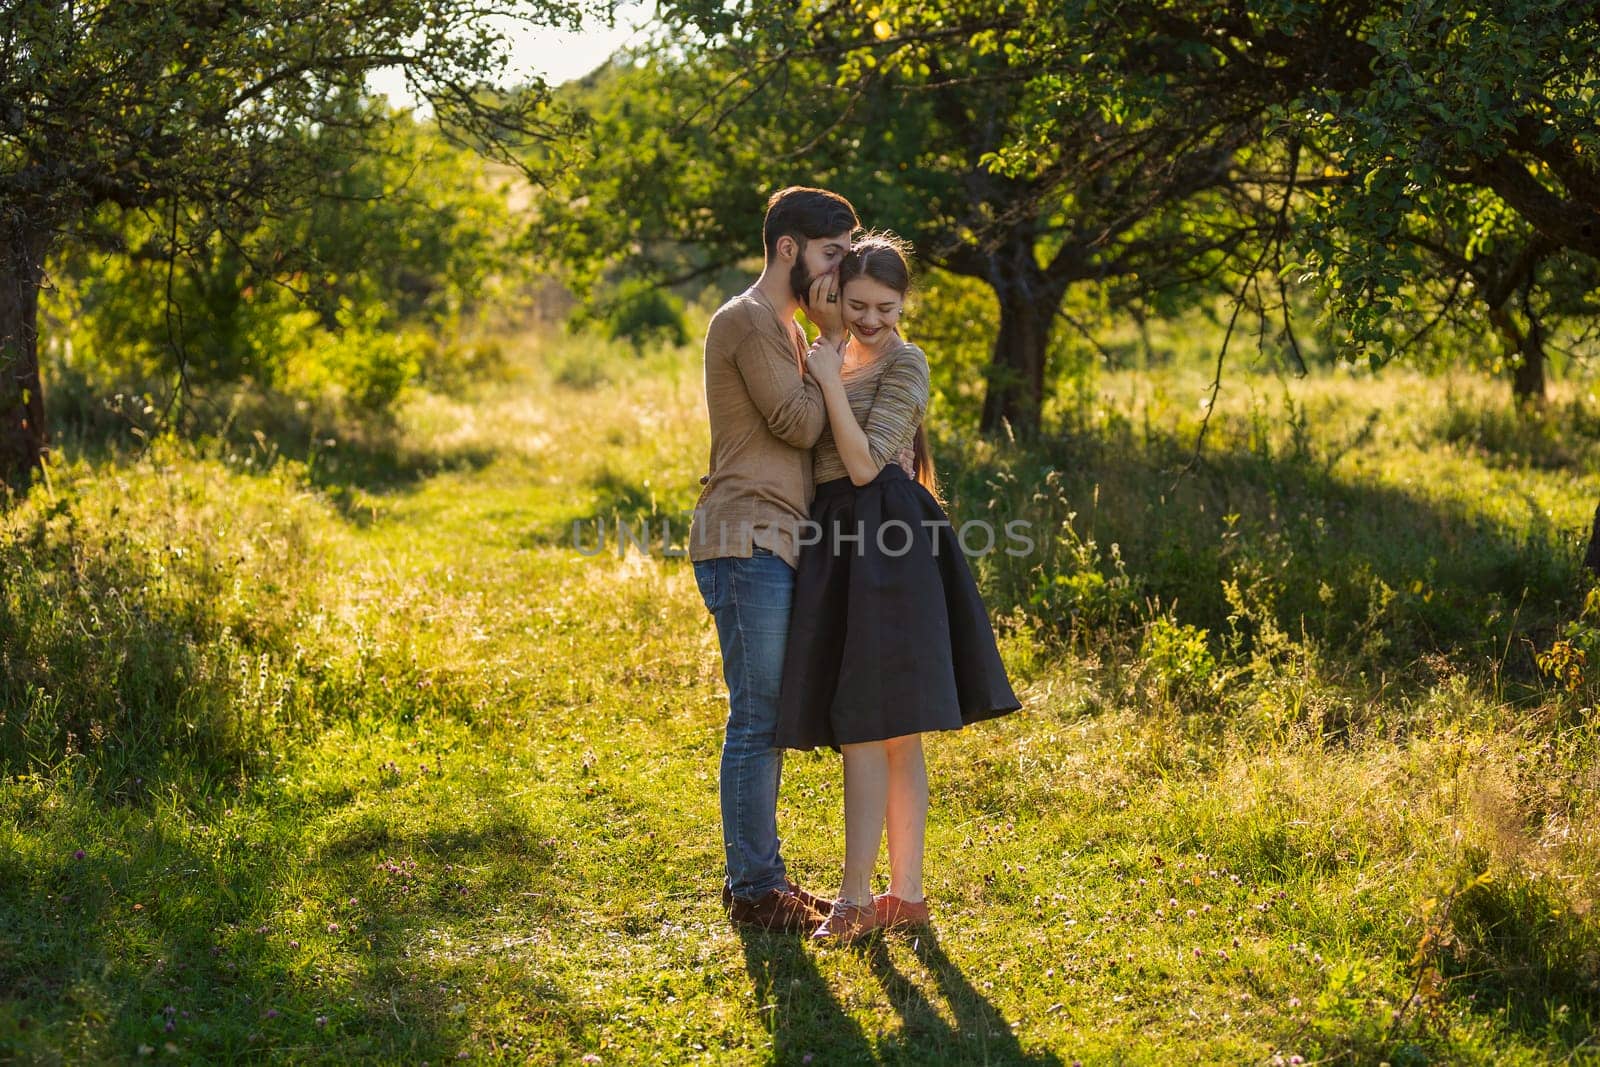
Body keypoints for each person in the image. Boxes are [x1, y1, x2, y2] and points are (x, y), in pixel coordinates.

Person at [776, 233, 1023, 943]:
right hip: (840, 542)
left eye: (886, 306)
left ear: (904, 303)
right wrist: (824, 356)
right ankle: (904, 897)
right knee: (883, 732)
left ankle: (858, 900)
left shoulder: (906, 362)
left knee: (872, 726)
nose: (872, 319)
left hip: (886, 537)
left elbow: (860, 465)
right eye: (857, 304)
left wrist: (826, 378)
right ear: (836, 295)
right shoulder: (826, 348)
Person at [690, 186, 859, 931]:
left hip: (778, 538)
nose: (839, 273)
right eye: (831, 255)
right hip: (744, 536)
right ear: (788, 247)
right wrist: (833, 345)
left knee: (767, 714)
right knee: (756, 717)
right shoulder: (750, 320)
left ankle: (759, 878)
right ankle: (756, 888)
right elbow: (796, 421)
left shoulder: (790, 334)